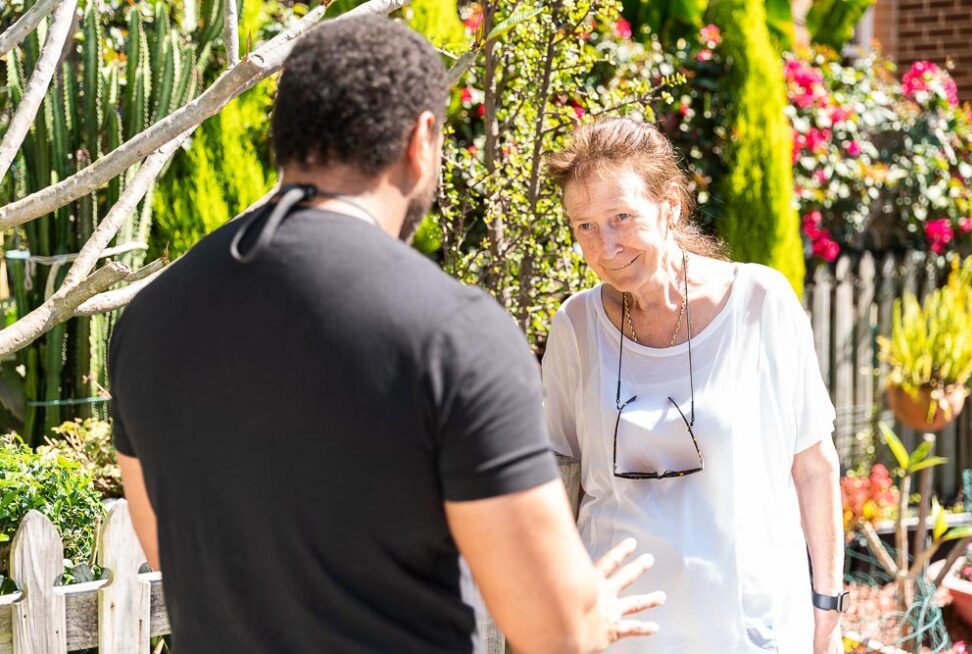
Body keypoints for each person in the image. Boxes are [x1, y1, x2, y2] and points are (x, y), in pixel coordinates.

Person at [108, 16, 665, 654]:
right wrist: (589, 615)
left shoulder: (148, 319)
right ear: (422, 140)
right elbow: (551, 629)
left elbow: (164, 549)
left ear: (286, 140)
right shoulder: (454, 331)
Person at [542, 117, 846, 653]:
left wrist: (827, 604)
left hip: (751, 632)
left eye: (621, 217)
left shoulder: (760, 304)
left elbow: (813, 465)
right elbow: (557, 485)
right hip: (621, 638)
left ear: (671, 207)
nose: (605, 245)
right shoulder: (575, 328)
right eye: (584, 225)